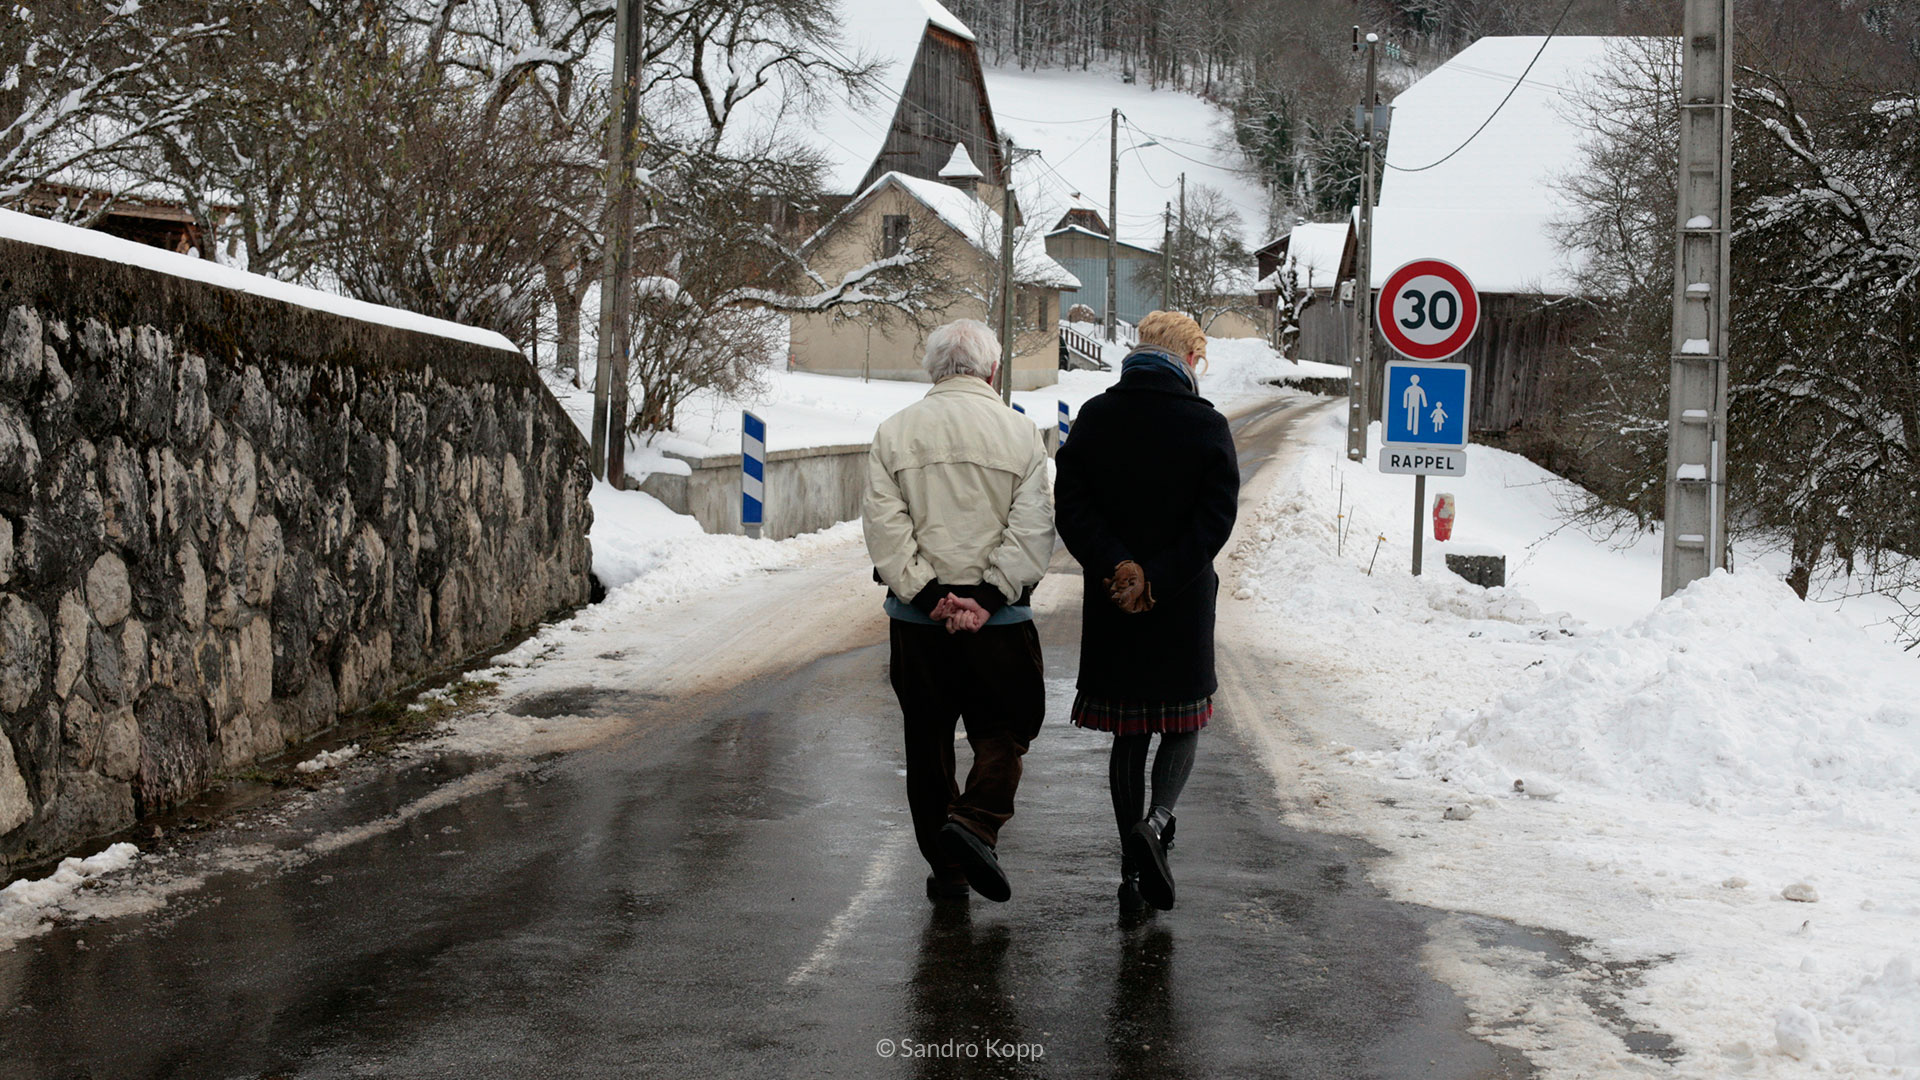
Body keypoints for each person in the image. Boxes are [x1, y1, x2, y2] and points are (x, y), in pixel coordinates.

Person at [863, 319, 1055, 904]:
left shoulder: (894, 434)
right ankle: (975, 821)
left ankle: (947, 870)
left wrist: (928, 597)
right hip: (1001, 626)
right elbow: (1033, 528)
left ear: (932, 368)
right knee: (1006, 730)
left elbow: (884, 528)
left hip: (919, 628)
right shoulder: (1021, 435)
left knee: (928, 741)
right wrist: (989, 597)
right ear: (993, 371)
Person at [1054, 310, 1239, 913]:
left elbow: (1072, 508)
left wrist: (1120, 570)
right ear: (1189, 359)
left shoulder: (1096, 417)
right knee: (1183, 723)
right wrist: (1157, 577)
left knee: (1129, 734)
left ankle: (1130, 876)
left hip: (1114, 605)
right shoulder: (1206, 425)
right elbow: (1215, 519)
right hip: (1180, 601)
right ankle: (1156, 826)